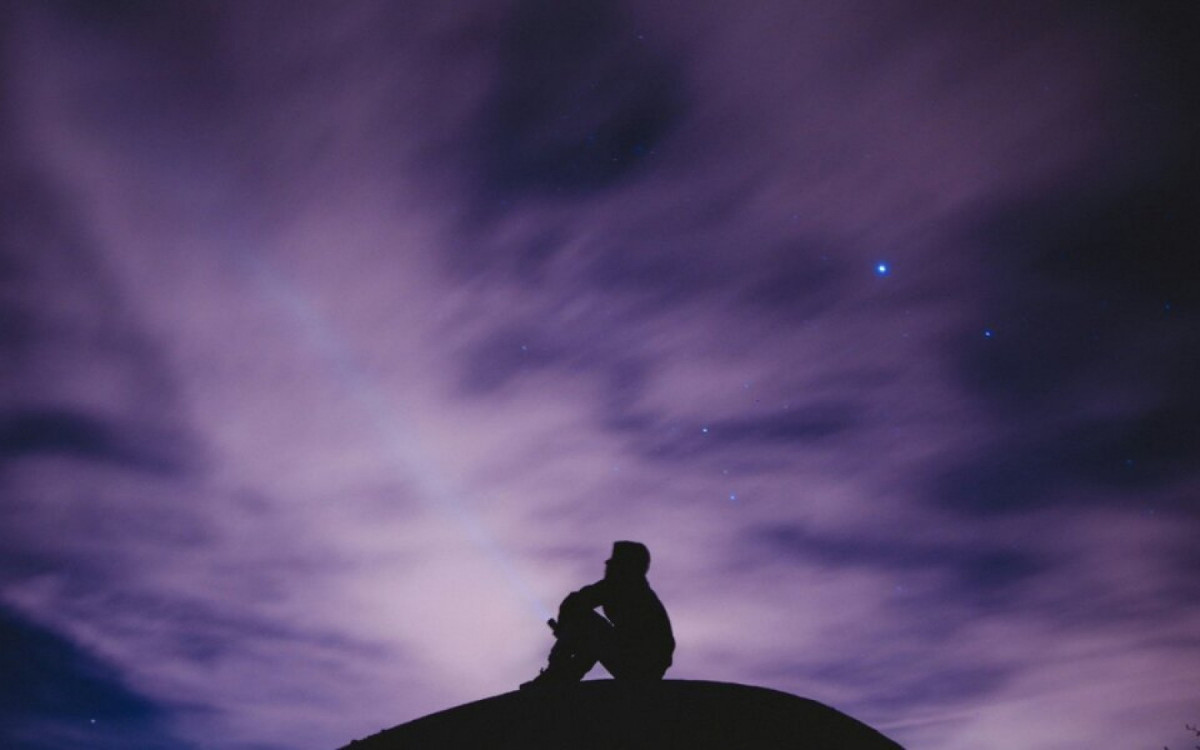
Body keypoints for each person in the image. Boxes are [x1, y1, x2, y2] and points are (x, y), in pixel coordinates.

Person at [522, 541, 674, 689]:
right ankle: (562, 677)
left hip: (641, 666)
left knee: (586, 623)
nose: (607, 567)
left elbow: (574, 603)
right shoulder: (633, 589)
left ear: (625, 567)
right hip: (641, 664)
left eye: (613, 563)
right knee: (591, 636)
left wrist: (565, 633)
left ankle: (556, 676)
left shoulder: (625, 586)